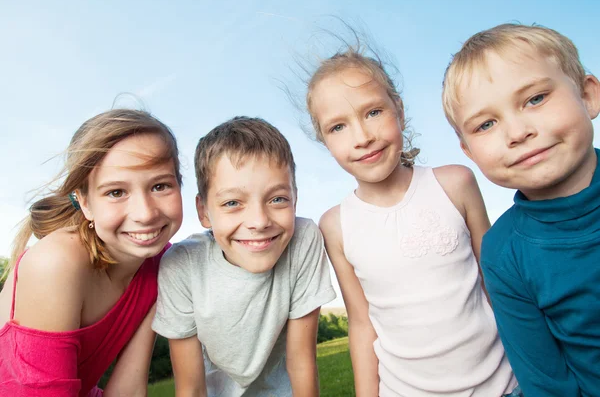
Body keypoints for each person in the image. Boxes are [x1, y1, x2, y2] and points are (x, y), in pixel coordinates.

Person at [305, 41, 519, 396]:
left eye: (373, 112)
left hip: (504, 386)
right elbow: (361, 324)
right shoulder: (336, 226)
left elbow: (498, 284)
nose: (362, 137)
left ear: (399, 111)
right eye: (338, 127)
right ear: (324, 140)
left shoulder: (455, 183)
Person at [442, 23, 600, 396]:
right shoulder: (502, 252)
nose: (516, 132)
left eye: (535, 99)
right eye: (486, 124)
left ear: (588, 95)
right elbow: (546, 385)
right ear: (468, 151)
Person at [0, 109, 184, 397]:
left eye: (160, 186)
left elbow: (129, 387)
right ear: (85, 203)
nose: (145, 213)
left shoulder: (164, 263)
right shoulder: (57, 262)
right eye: (116, 192)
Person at [152, 116, 336, 397]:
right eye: (232, 203)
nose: (259, 221)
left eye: (277, 199)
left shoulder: (303, 239)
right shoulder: (182, 266)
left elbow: (301, 360)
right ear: (203, 212)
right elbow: (190, 388)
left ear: (295, 198)